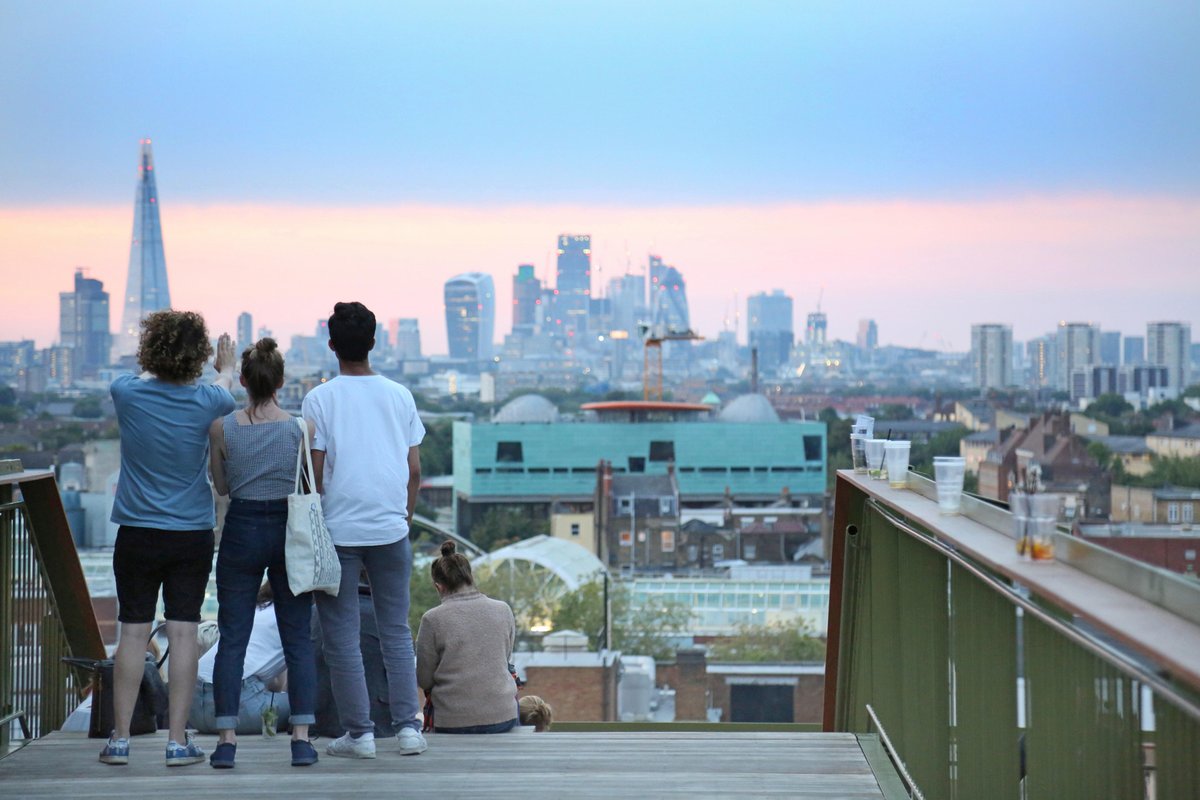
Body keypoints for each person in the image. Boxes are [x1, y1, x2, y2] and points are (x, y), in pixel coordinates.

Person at [101, 311, 235, 767]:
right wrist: (224, 366)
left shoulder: (126, 392)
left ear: (149, 349)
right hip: (190, 533)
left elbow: (138, 377)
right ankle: (177, 741)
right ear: (197, 356)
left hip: (137, 532)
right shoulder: (210, 400)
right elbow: (225, 384)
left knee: (133, 632)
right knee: (183, 632)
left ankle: (120, 739)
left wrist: (155, 364)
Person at [301, 301, 427, 759]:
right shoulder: (400, 395)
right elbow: (414, 470)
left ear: (331, 345)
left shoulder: (319, 399)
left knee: (342, 639)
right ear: (374, 342)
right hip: (390, 528)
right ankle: (408, 728)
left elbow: (314, 475)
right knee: (396, 632)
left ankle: (360, 735)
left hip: (338, 530)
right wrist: (404, 517)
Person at [205, 338, 318, 768]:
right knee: (297, 638)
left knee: (233, 637)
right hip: (289, 530)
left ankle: (226, 741)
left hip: (242, 528)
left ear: (244, 381)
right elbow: (308, 483)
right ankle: (302, 740)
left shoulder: (222, 428)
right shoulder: (301, 429)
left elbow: (222, 487)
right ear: (281, 382)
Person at [416, 541, 519, 734]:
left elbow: (424, 679)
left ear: (439, 587)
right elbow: (505, 659)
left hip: (452, 721)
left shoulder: (432, 619)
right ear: (470, 578)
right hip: (503, 716)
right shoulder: (503, 610)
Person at [190, 584, 294, 740]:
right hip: (240, 709)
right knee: (305, 709)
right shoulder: (295, 616)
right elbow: (285, 684)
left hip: (194, 711)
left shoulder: (254, 609)